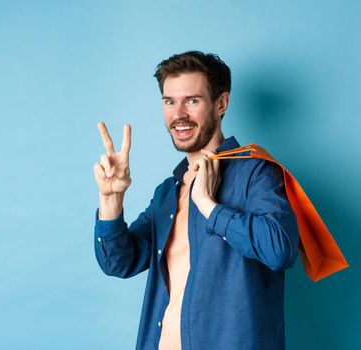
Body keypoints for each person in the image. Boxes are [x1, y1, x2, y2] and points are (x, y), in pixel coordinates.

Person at [93, 51, 299, 350]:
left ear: (221, 104)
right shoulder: (168, 191)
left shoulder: (257, 172)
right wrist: (111, 199)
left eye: (192, 100)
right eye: (169, 101)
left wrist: (208, 205)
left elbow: (280, 250)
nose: (179, 114)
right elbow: (120, 262)